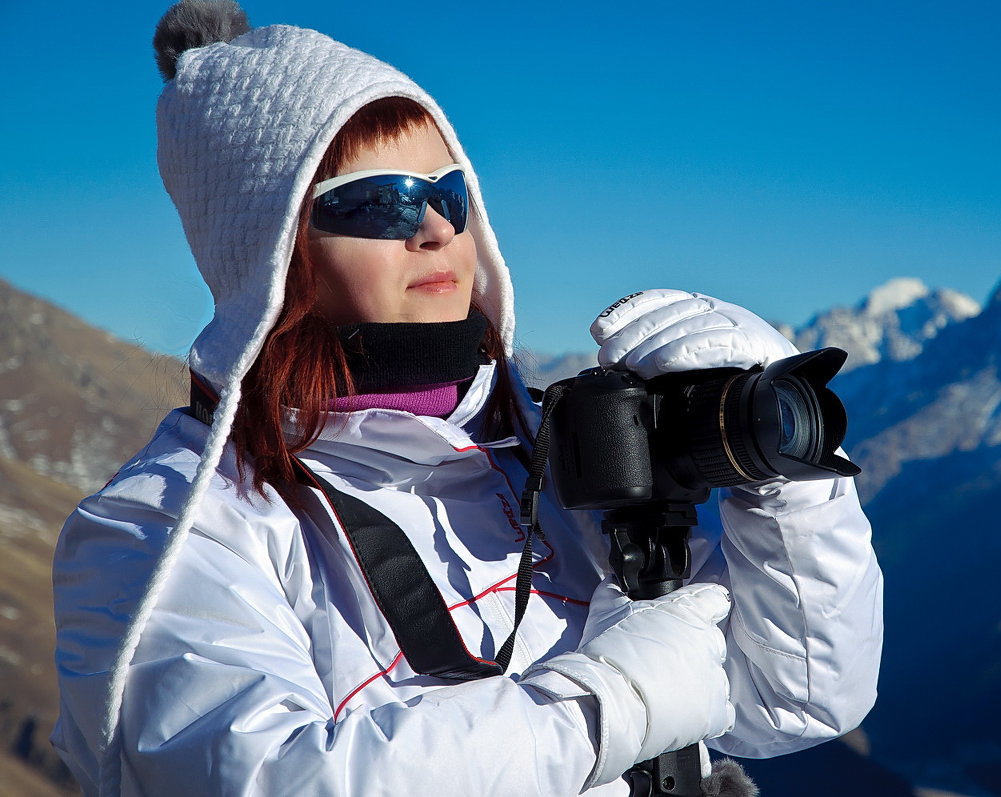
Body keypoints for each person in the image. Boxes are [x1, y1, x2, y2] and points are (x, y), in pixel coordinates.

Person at [51, 2, 884, 795]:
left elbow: (801, 697)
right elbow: (257, 776)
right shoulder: (163, 526)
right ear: (271, 251)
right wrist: (610, 703)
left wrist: (786, 477)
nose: (436, 230)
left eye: (447, 192)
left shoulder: (546, 451)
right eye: (379, 202)